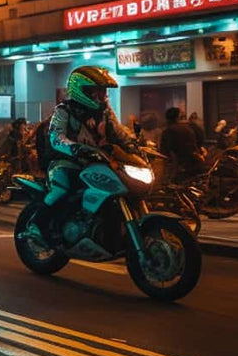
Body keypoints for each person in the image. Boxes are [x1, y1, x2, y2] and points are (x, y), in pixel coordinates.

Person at [29, 66, 135, 236]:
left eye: (103, 92)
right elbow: (56, 138)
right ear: (81, 91)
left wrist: (135, 145)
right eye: (96, 92)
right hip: (65, 160)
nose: (101, 96)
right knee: (62, 189)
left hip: (95, 161)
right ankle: (37, 225)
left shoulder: (105, 112)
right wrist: (76, 148)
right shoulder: (63, 111)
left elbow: (119, 134)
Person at [159, 107, 204, 178]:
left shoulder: (168, 131)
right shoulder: (190, 127)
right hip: (196, 163)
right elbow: (200, 142)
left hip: (179, 168)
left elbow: (165, 152)